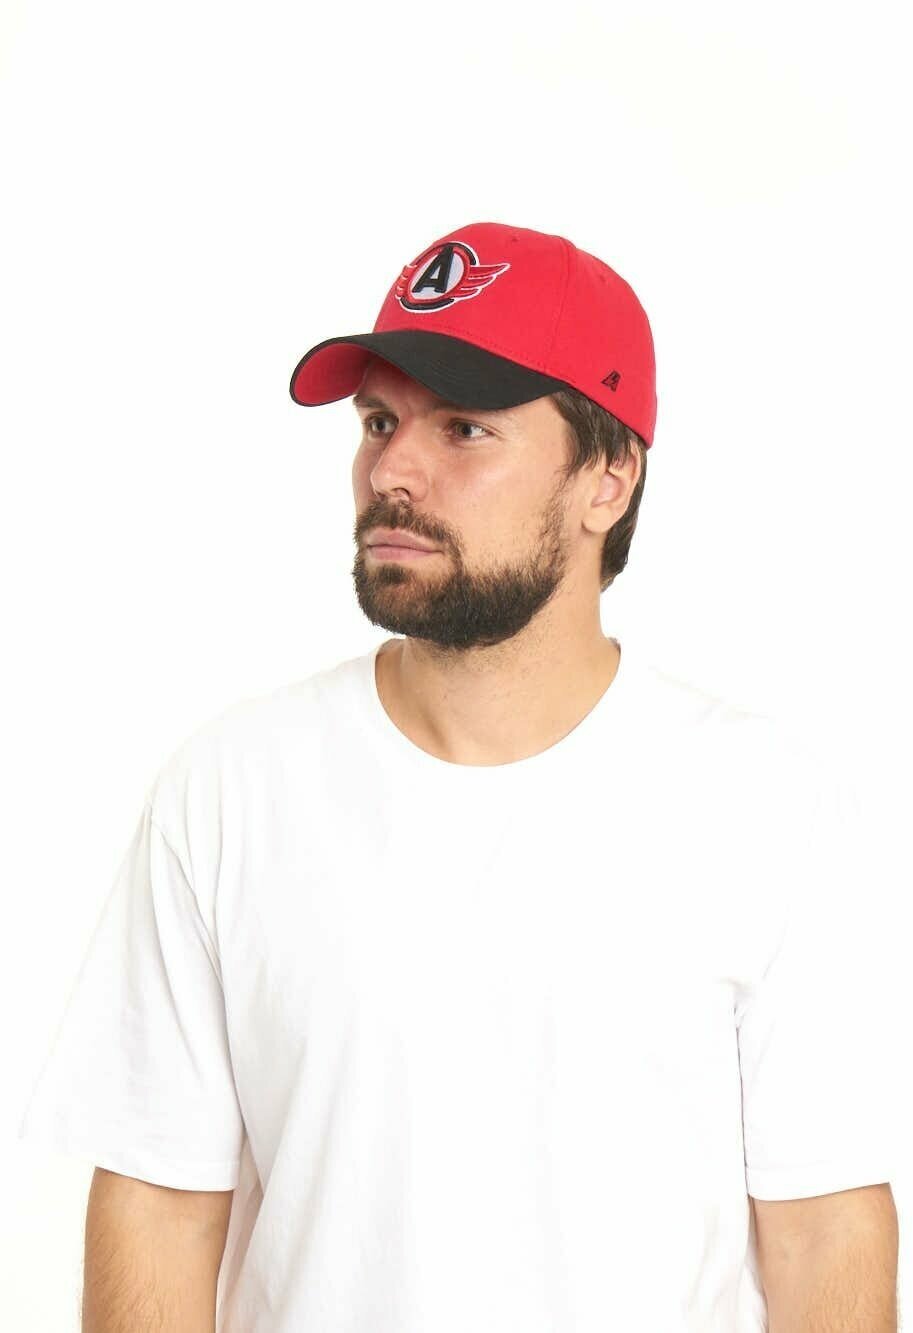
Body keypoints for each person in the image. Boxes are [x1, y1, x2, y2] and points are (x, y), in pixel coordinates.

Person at [18, 221, 898, 1331]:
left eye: (464, 428)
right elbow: (157, 1200)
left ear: (607, 478)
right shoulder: (231, 790)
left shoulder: (764, 805)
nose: (391, 470)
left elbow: (823, 1227)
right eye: (378, 422)